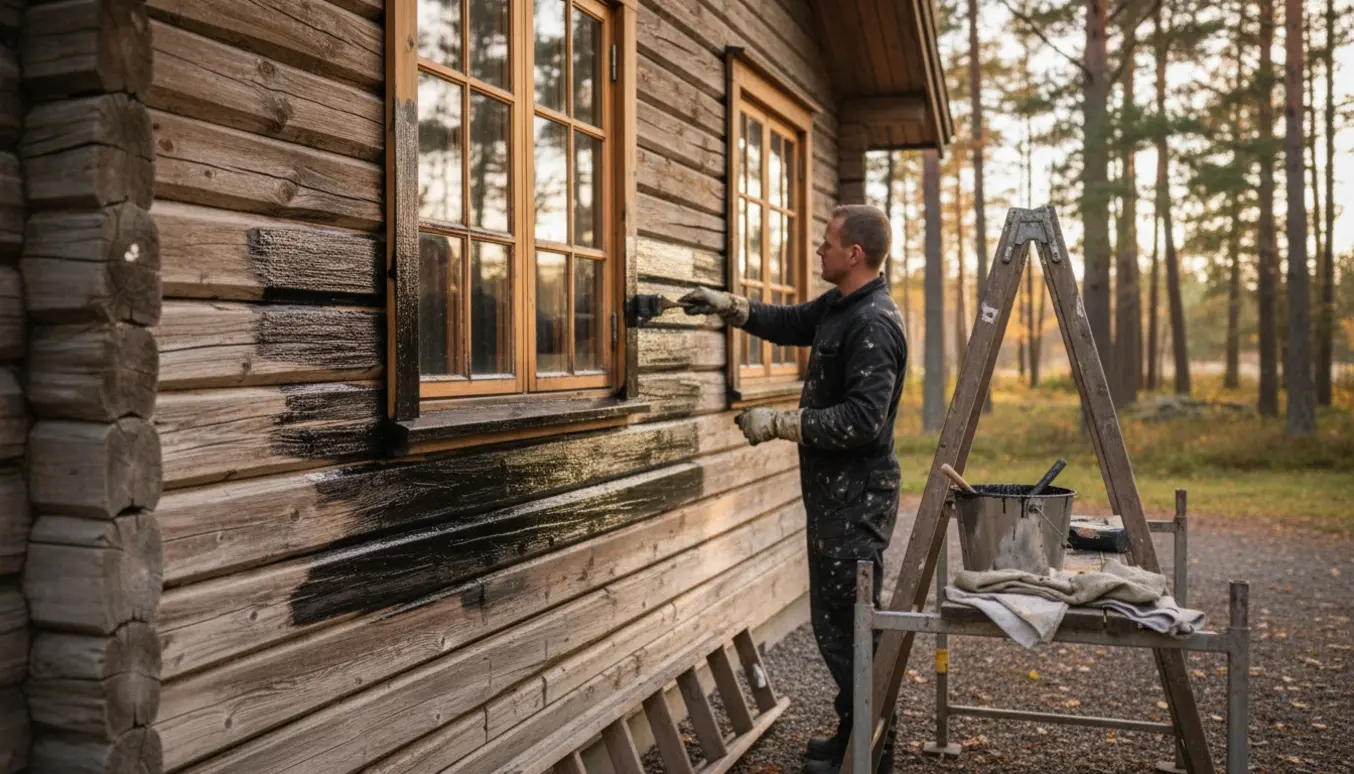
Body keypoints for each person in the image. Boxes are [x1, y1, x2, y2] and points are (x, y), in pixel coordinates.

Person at [679, 204, 907, 774]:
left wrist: (780, 423)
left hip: (857, 501)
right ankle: (856, 730)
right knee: (838, 623)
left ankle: (872, 750)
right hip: (835, 498)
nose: (818, 250)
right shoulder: (841, 305)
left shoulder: (874, 322)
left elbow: (862, 421)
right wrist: (730, 306)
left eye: (826, 242)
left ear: (854, 254)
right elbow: (788, 323)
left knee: (852, 625)